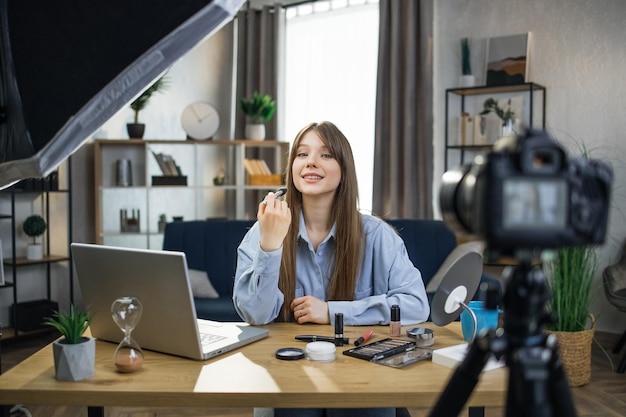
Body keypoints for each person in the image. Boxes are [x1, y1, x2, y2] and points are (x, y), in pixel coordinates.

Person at [233, 121, 429, 417]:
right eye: (302, 154)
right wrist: (271, 246)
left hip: (362, 375)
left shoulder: (376, 235)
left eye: (326, 155)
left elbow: (416, 306)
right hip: (288, 374)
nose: (311, 162)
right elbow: (255, 314)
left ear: (344, 169)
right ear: (292, 168)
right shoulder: (264, 232)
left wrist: (332, 311)